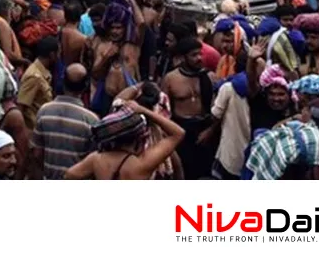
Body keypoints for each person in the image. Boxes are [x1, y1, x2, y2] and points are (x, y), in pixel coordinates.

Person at [64, 101, 185, 180]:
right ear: (137, 139)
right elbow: (178, 133)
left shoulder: (97, 159)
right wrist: (143, 110)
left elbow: (69, 175)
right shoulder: (142, 164)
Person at [30, 63, 98, 179]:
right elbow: (92, 162)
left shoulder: (44, 111)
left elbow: (37, 154)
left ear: (63, 82)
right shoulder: (91, 120)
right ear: (85, 86)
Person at [160, 36, 214, 179]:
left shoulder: (208, 76)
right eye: (194, 55)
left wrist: (210, 130)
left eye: (200, 54)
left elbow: (217, 109)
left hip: (204, 130)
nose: (199, 58)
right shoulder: (170, 79)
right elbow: (163, 111)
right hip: (182, 130)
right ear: (183, 58)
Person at [18, 35, 57, 130]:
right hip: (33, 129)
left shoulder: (43, 73)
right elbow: (21, 106)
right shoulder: (34, 76)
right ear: (52, 55)